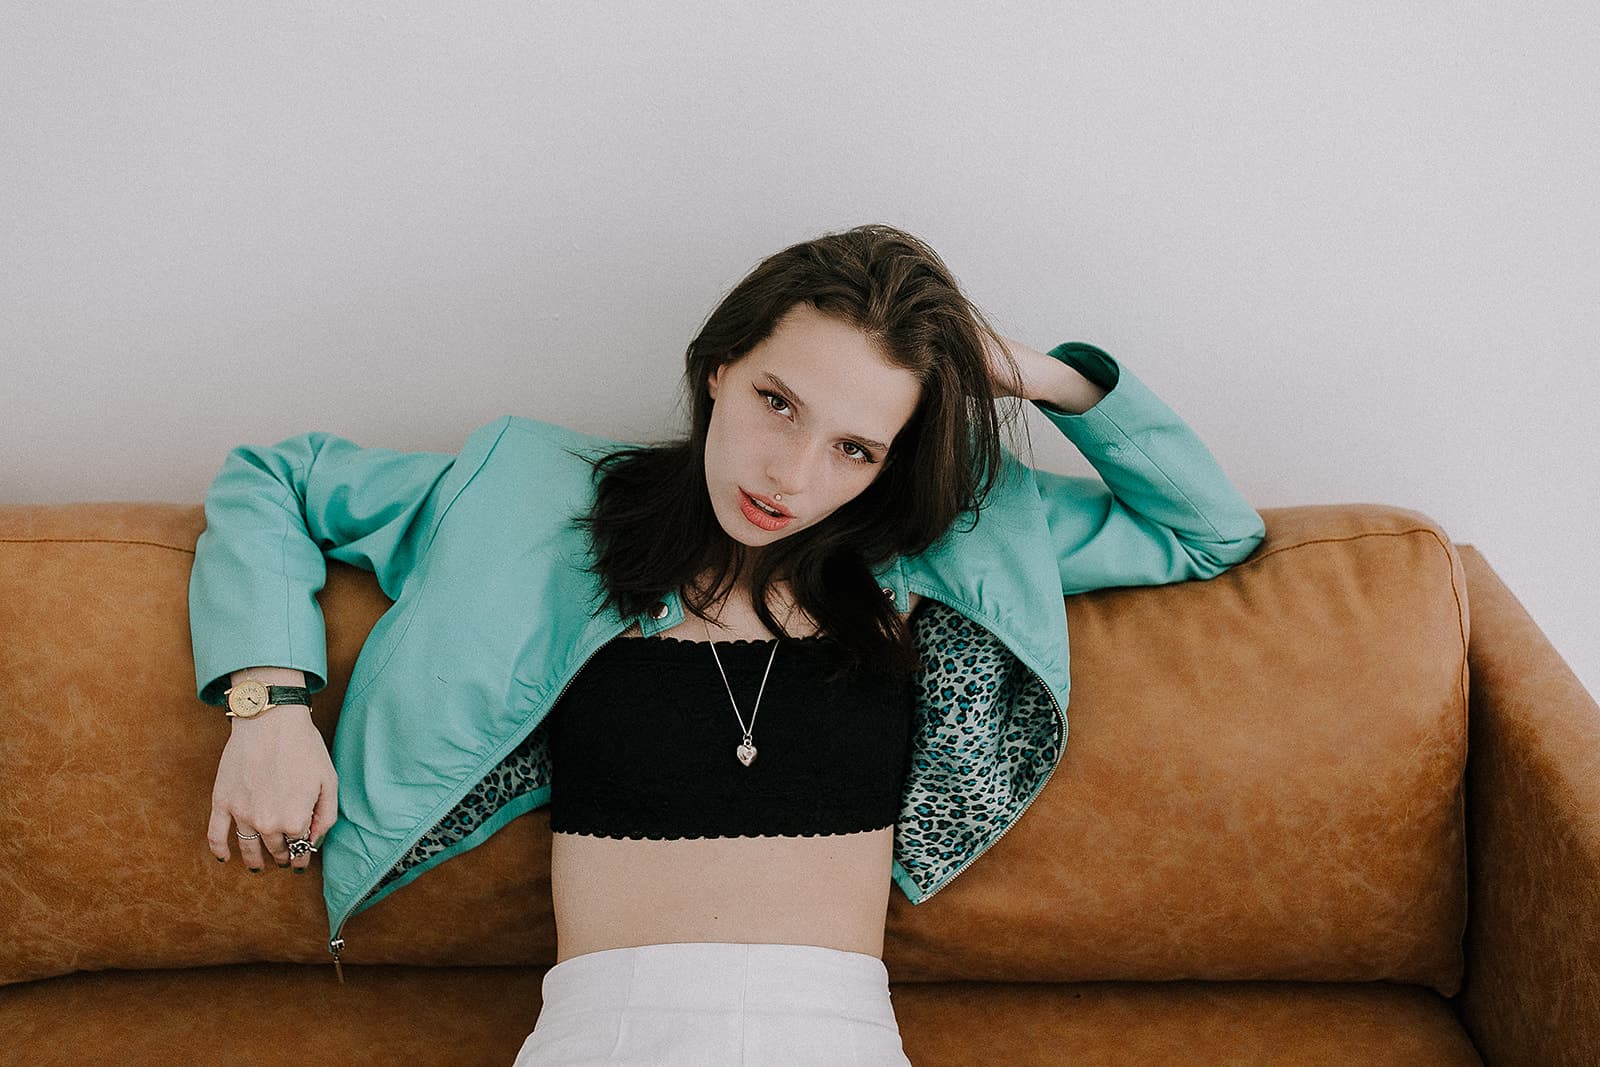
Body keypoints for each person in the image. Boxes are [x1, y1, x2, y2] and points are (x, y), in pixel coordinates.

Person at [189, 223, 1267, 1065]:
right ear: (716, 367)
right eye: (776, 402)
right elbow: (273, 478)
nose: (790, 475)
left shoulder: (957, 541)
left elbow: (1208, 532)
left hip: (839, 1034)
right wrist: (267, 706)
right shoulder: (528, 493)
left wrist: (1038, 374)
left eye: (854, 445)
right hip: (601, 1034)